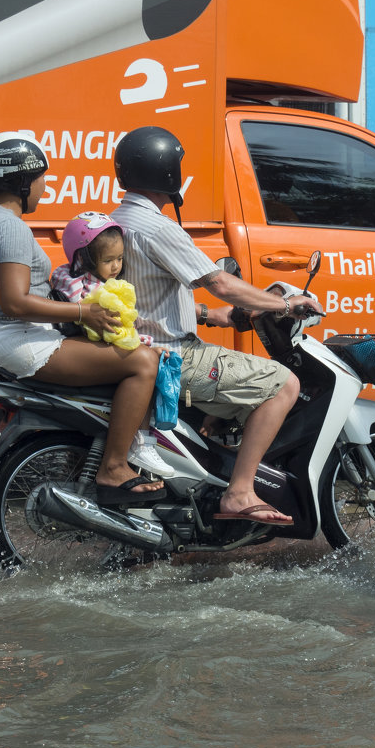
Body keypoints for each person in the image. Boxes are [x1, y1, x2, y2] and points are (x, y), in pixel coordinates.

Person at [110, 126, 320, 527]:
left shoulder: (118, 220)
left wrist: (210, 315)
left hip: (142, 345)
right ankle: (239, 492)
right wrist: (285, 303)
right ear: (167, 172)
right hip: (174, 356)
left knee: (238, 390)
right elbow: (219, 281)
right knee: (285, 384)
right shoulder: (158, 228)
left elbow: (147, 293)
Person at [0, 132, 164, 504]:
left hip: (10, 338)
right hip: (23, 340)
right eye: (41, 178)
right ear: (23, 181)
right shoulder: (9, 227)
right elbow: (16, 302)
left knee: (121, 349)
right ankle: (115, 467)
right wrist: (83, 310)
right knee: (143, 362)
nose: (45, 187)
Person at [49, 211, 173, 477]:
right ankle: (139, 442)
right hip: (91, 344)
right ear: (84, 258)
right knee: (146, 366)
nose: (116, 266)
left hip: (88, 343)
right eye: (108, 260)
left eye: (119, 259)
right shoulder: (91, 290)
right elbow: (114, 329)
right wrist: (146, 344)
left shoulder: (75, 277)